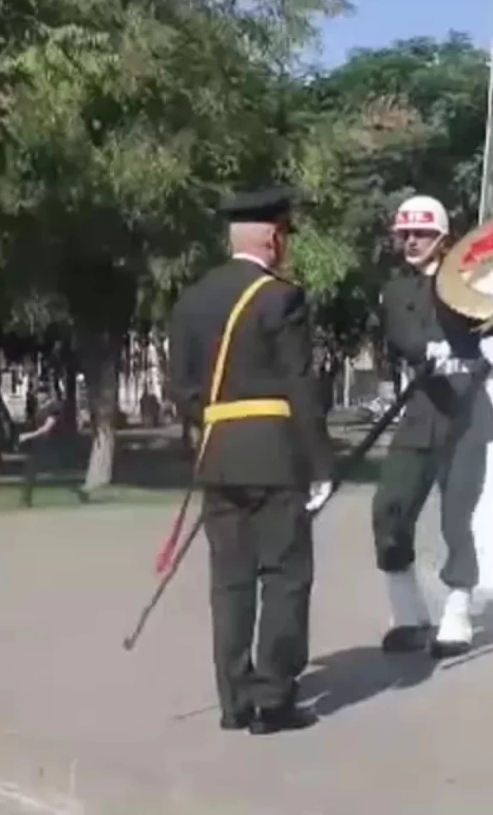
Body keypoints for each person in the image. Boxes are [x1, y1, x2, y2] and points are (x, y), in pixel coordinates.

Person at [167, 186, 333, 735]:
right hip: (275, 458)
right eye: (284, 236)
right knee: (285, 576)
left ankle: (234, 702)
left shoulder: (192, 300)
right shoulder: (281, 298)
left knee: (230, 581)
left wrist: (216, 429)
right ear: (272, 237)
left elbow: (184, 390)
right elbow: (298, 385)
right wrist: (320, 464)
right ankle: (273, 701)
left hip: (217, 457)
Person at [372, 194, 493, 659]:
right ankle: (407, 613)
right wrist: (432, 349)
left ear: (442, 239)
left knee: (456, 518)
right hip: (420, 410)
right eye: (405, 234)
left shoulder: (469, 283)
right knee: (389, 509)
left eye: (422, 234)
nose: (412, 241)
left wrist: (492, 346)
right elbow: (402, 338)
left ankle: (457, 610)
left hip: (467, 415)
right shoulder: (395, 290)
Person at [18, 384, 85, 506]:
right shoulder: (41, 408)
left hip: (49, 445)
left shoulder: (54, 409)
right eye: (37, 394)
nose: (37, 396)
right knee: (31, 470)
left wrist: (27, 436)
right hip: (41, 445)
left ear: (46, 395)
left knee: (57, 474)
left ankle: (80, 492)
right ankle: (26, 498)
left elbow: (46, 429)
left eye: (40, 394)